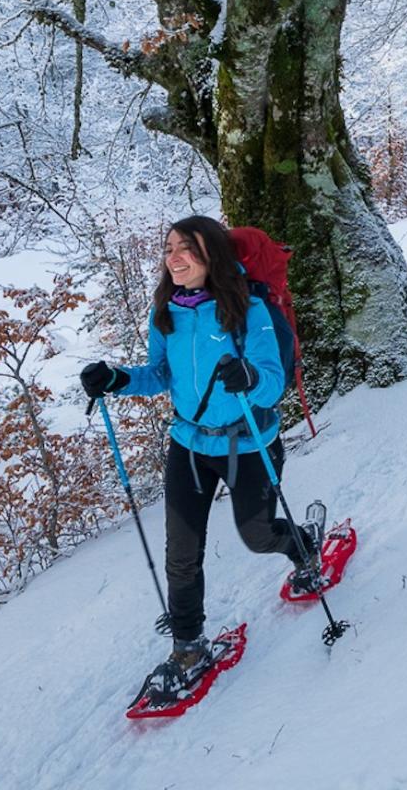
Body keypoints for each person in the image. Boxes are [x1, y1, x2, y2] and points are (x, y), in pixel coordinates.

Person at [79, 215, 322, 691]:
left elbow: (272, 382)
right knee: (181, 554)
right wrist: (117, 379)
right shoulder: (166, 310)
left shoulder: (247, 308)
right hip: (188, 444)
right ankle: (189, 647)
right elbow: (160, 373)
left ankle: (304, 547)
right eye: (168, 248)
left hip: (249, 441)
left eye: (185, 248)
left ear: (210, 254)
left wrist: (250, 377)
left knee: (256, 535)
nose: (174, 257)